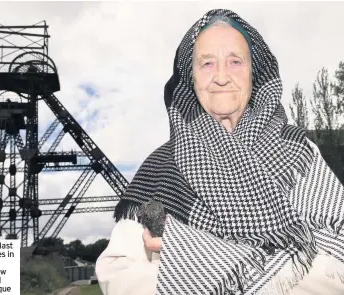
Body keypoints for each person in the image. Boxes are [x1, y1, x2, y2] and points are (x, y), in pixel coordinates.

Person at [96, 9, 344, 295]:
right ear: (191, 78)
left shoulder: (298, 151)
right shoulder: (161, 166)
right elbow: (118, 272)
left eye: (235, 62)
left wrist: (192, 255)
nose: (222, 77)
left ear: (254, 73)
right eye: (207, 63)